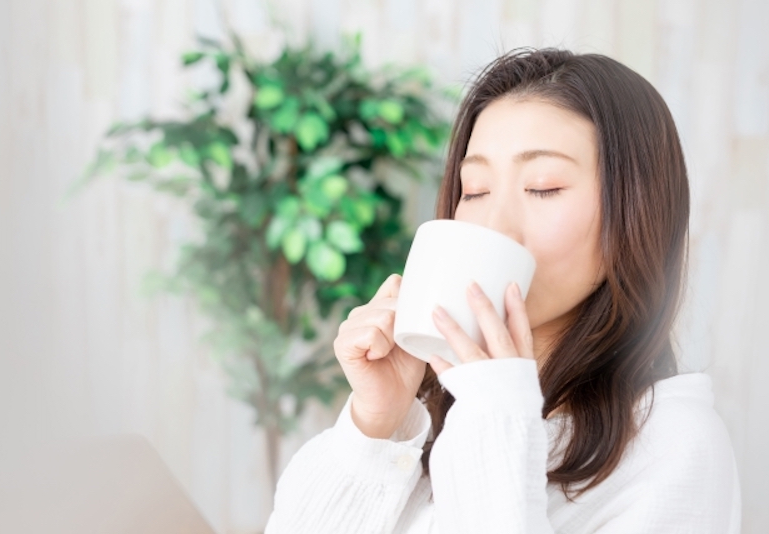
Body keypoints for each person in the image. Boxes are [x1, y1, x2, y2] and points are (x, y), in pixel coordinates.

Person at [264, 48, 741, 533]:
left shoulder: (675, 444)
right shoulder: (442, 415)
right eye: (474, 190)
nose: (495, 226)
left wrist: (496, 412)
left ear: (636, 214)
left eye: (543, 187)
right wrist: (377, 423)